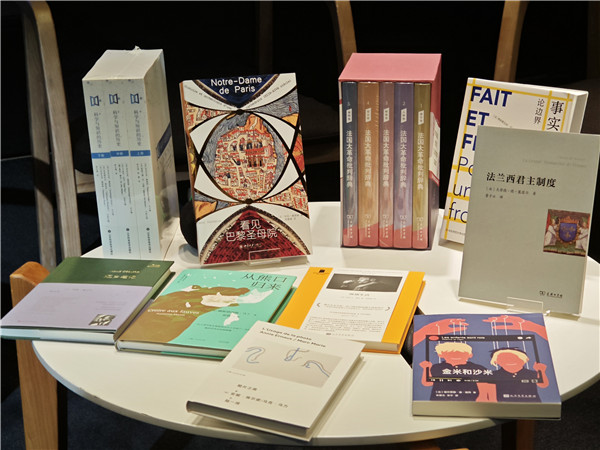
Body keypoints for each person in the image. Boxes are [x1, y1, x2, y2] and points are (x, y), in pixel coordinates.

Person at [419, 342, 494, 401]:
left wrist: (484, 397)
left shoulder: (477, 368)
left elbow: (487, 384)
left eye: (462, 353)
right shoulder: (437, 367)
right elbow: (427, 383)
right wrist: (426, 368)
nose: (455, 355)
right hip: (440, 402)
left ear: (470, 355)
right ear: (441, 354)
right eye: (449, 353)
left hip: (471, 402)